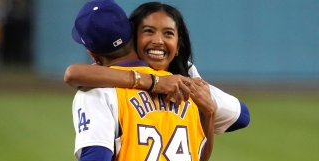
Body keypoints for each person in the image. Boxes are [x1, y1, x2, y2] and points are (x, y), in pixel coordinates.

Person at [70, 0, 214, 161]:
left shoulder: (96, 90)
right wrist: (209, 114)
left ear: (92, 53)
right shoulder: (183, 89)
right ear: (132, 34)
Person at [65, 1, 250, 134]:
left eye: (168, 33)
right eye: (149, 31)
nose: (158, 41)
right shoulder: (179, 73)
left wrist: (207, 110)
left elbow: (241, 116)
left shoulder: (184, 75)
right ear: (132, 32)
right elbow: (74, 74)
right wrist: (155, 82)